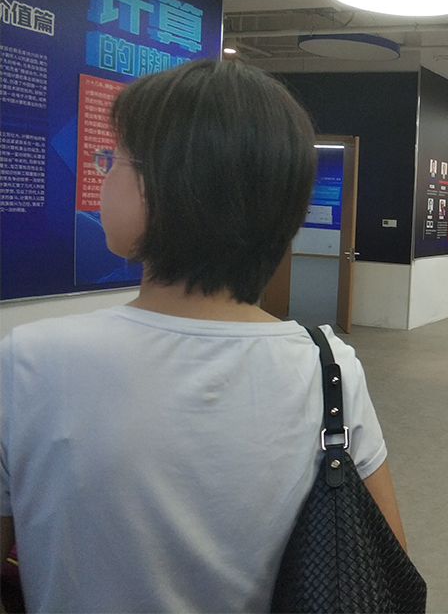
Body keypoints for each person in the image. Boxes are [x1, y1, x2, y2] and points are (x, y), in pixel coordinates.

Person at [0, 59, 405, 612]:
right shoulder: (327, 363)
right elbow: (384, 567)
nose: (103, 174)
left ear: (168, 186)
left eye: (114, 159)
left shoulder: (30, 361)